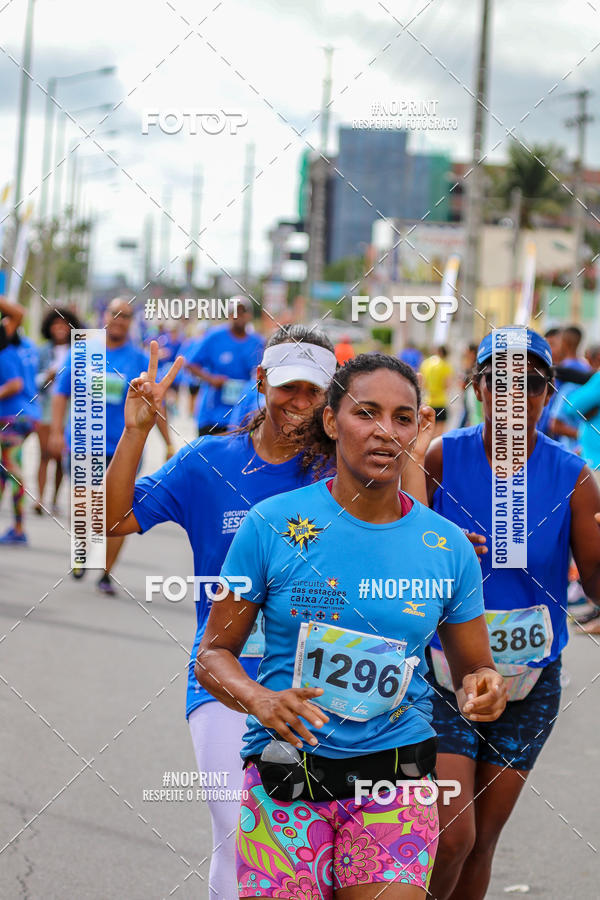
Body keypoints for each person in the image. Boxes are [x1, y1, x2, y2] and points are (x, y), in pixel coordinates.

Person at [195, 353, 506, 898]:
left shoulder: (447, 546)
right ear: (332, 421)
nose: (386, 431)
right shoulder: (271, 525)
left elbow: (474, 666)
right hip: (286, 773)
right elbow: (213, 654)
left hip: (397, 774)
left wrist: (485, 685)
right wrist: (260, 699)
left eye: (403, 417)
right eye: (367, 413)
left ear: (417, 428)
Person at [105, 325, 339, 900]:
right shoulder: (208, 462)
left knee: (313, 856)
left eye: (316, 391)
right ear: (261, 381)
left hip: (326, 686)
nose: (301, 403)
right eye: (290, 387)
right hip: (227, 678)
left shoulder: (343, 470)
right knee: (242, 836)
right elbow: (106, 525)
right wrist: (135, 433)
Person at [409, 327, 600, 900]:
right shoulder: (443, 456)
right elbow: (402, 546)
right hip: (446, 672)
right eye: (502, 383)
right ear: (480, 388)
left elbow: (594, 580)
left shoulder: (574, 477)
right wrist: (441, 550)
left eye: (534, 385)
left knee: (483, 842)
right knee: (451, 836)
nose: (518, 398)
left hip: (530, 680)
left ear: (548, 394)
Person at [50, 297, 173, 593]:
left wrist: (168, 442)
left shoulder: (139, 359)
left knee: (119, 511)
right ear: (104, 316)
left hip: (122, 448)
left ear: (132, 321)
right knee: (84, 504)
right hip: (83, 443)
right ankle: (81, 553)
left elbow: (155, 404)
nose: (119, 320)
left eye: (126, 316)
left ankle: (106, 572)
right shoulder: (83, 351)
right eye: (114, 314)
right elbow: (60, 393)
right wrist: (55, 431)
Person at [186, 296, 265, 435]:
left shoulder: (258, 342)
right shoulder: (214, 337)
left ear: (250, 315)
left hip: (243, 417)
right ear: (229, 314)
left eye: (244, 311)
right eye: (235, 312)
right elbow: (189, 363)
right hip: (212, 415)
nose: (240, 316)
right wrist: (211, 379)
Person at [34, 307, 82, 516]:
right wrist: (47, 377)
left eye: (64, 324)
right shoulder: (43, 351)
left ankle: (54, 499)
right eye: (56, 324)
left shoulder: (79, 351)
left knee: (61, 456)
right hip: (45, 407)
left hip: (70, 408)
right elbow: (33, 380)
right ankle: (40, 498)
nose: (60, 328)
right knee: (44, 454)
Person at [0, 331, 41, 544]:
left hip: (12, 418)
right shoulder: (24, 347)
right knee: (4, 469)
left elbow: (16, 384)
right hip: (24, 415)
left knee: (11, 468)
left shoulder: (5, 353)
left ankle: (18, 528)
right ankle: (17, 527)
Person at [420, 345, 453, 437]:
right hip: (440, 402)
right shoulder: (445, 365)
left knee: (427, 432)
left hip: (428, 401)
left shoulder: (425, 363)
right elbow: (447, 385)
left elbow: (423, 384)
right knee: (439, 435)